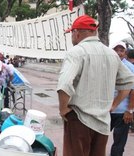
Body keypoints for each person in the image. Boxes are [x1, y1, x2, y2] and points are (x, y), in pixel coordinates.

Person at [57, 15, 134, 156]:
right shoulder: (112, 54)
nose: (71, 36)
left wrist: (63, 109)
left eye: (71, 33)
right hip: (102, 122)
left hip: (79, 118)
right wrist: (114, 105)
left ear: (77, 32)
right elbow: (129, 81)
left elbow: (64, 84)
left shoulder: (77, 52)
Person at [110, 41, 134, 156]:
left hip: (122, 113)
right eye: (116, 49)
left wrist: (129, 110)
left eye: (121, 50)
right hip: (106, 110)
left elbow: (133, 90)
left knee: (119, 145)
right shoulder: (107, 65)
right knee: (97, 140)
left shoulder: (130, 68)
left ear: (125, 53)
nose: (118, 53)